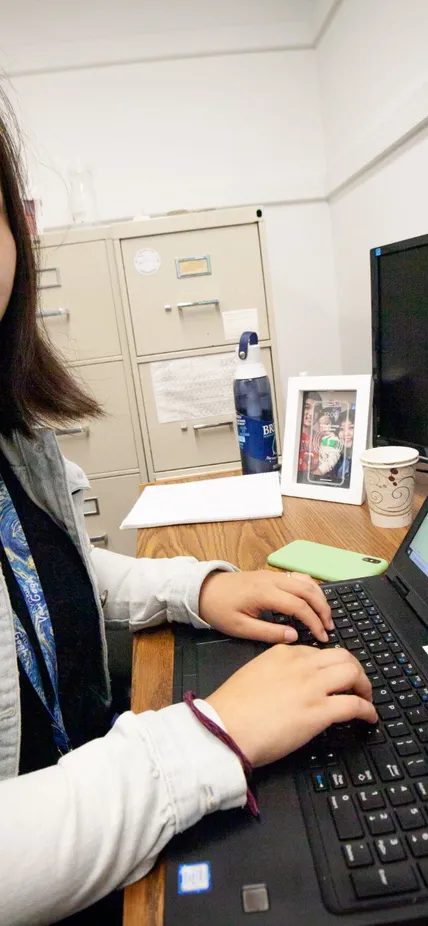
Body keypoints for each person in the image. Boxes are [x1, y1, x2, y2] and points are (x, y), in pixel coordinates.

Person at [0, 96, 377, 926]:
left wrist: (197, 588)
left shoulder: (6, 435)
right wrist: (209, 736)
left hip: (101, 788)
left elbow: (47, 575)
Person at [297, 391, 322, 483]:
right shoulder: (294, 437)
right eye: (307, 407)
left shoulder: (321, 438)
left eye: (317, 409)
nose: (312, 413)